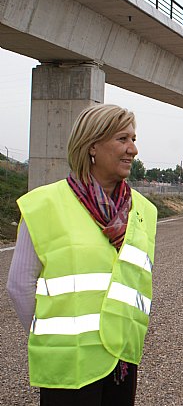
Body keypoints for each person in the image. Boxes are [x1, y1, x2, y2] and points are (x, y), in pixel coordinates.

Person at [6, 104, 158, 405]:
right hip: (68, 364)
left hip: (122, 361)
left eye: (134, 139)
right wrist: (51, 340)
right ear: (92, 146)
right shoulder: (45, 204)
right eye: (122, 139)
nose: (133, 149)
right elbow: (20, 285)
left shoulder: (143, 210)